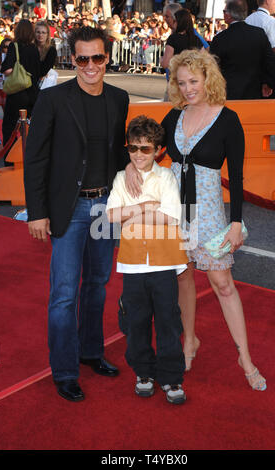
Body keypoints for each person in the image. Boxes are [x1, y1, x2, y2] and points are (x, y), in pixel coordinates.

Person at [126, 48, 267, 391]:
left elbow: (235, 175)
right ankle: (189, 341)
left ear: (208, 79)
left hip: (208, 211)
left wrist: (236, 223)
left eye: (194, 81)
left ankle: (245, 359)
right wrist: (133, 163)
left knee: (223, 284)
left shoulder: (228, 118)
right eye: (182, 82)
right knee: (183, 278)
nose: (188, 88)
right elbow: (151, 152)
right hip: (176, 211)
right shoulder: (175, 116)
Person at [24, 26, 129, 402]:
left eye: (96, 58)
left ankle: (91, 351)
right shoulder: (52, 99)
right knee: (64, 293)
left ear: (106, 58)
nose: (89, 66)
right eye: (82, 58)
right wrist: (37, 213)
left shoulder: (119, 98)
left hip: (105, 206)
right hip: (68, 208)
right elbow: (35, 159)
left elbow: (120, 156)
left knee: (97, 284)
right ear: (72, 59)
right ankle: (65, 370)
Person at [106, 115, 188, 404]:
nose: (138, 155)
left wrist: (132, 211)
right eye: (133, 148)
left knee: (168, 322)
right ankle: (143, 372)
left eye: (145, 149)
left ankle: (171, 377)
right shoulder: (120, 178)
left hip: (165, 263)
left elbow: (171, 217)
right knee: (136, 323)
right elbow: (110, 215)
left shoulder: (166, 177)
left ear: (159, 150)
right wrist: (144, 206)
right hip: (132, 263)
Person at [210, 0, 275, 99]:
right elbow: (270, 61)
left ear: (229, 15)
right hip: (254, 91)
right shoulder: (258, 34)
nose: (224, 14)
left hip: (228, 93)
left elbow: (212, 68)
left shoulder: (220, 39)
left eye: (224, 11)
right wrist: (268, 83)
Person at [1, 19, 41, 164]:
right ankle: (32, 159)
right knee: (31, 128)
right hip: (33, 93)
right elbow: (38, 71)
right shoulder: (34, 49)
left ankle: (11, 160)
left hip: (17, 93)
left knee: (10, 128)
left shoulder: (14, 46)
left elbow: (6, 69)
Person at [245, 0, 275, 97]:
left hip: (249, 76)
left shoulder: (248, 19)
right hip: (267, 77)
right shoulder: (270, 21)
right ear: (268, 1)